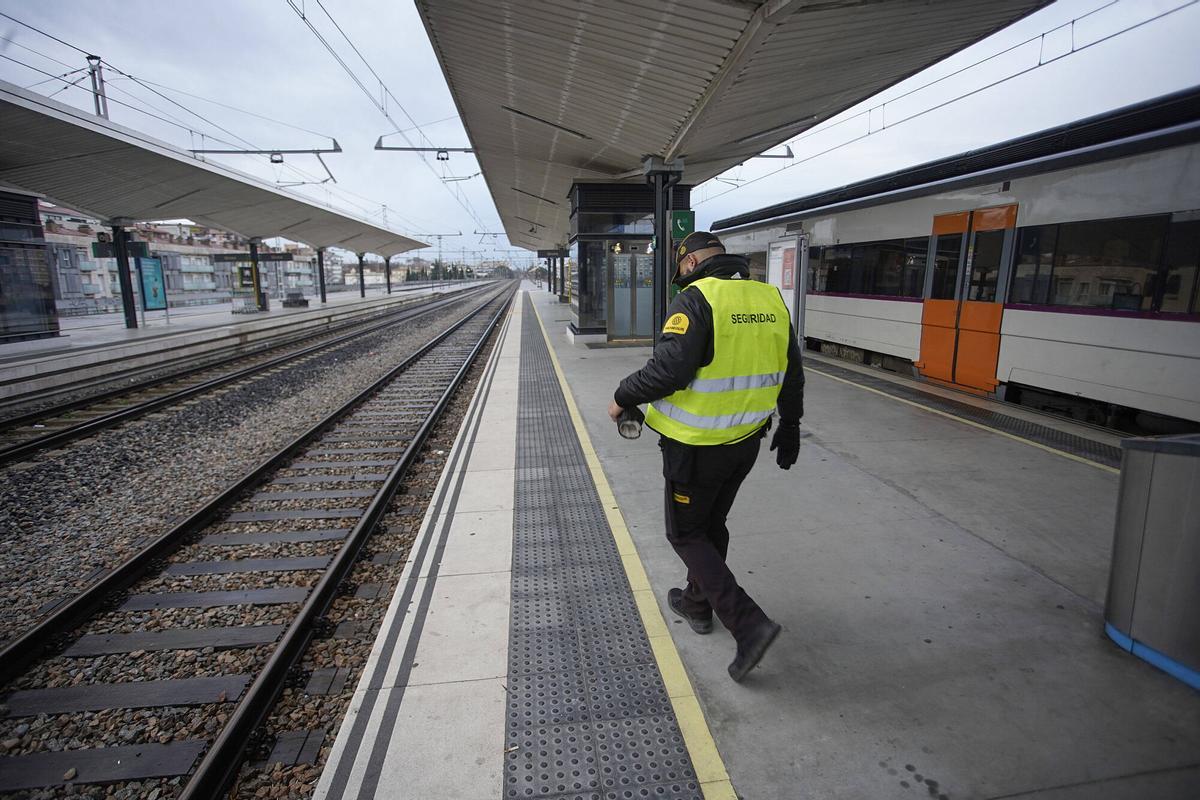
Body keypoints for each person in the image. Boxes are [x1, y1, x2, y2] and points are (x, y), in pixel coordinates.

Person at [608, 231, 804, 682]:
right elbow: (793, 372)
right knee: (712, 526)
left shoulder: (696, 300)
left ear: (691, 261)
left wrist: (621, 396)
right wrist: (790, 424)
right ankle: (697, 603)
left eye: (680, 269)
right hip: (746, 442)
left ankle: (748, 623)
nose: (680, 277)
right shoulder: (770, 298)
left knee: (685, 534)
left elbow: (670, 370)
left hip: (695, 448)